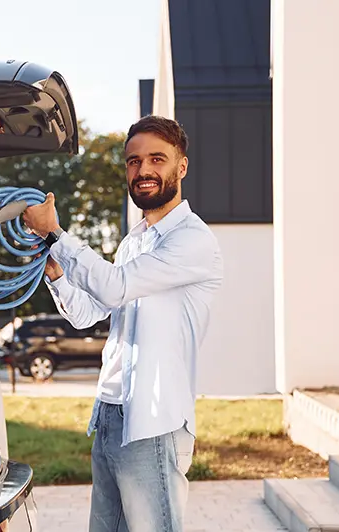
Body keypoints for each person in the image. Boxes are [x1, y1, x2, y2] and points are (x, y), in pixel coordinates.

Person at [22, 115, 224, 532]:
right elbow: (89, 312)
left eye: (156, 159)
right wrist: (58, 273)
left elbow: (115, 287)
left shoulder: (192, 240)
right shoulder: (134, 241)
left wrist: (57, 233)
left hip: (153, 423)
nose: (143, 170)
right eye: (133, 162)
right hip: (111, 415)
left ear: (180, 167)